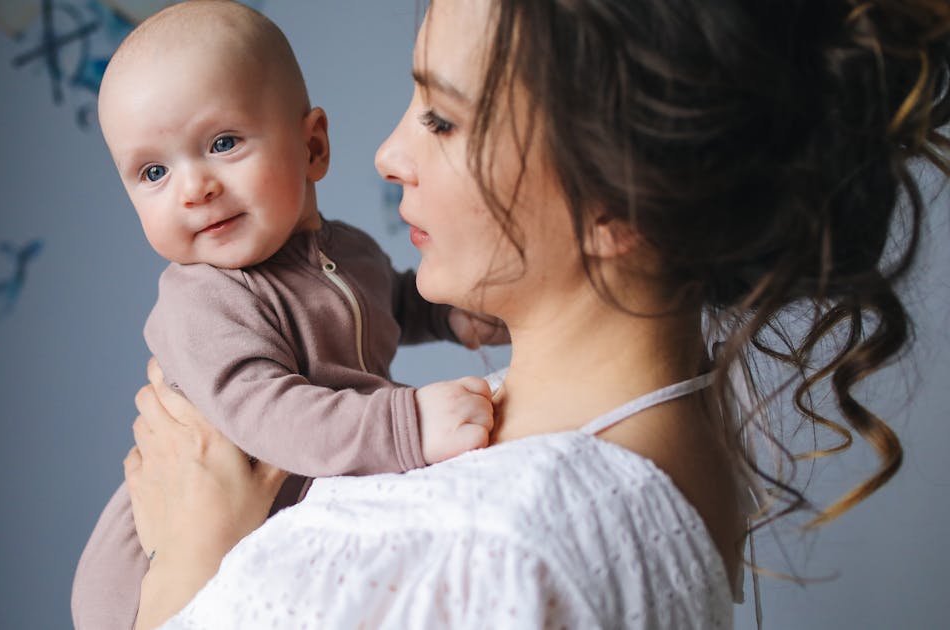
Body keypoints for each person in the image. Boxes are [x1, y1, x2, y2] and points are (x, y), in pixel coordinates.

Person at [116, 0, 950, 627]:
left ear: (617, 199)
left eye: (442, 117)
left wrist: (187, 569)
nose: (388, 155)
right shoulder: (639, 443)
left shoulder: (514, 546)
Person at [71, 2, 508, 627]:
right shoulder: (203, 299)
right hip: (152, 573)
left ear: (313, 146)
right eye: (153, 172)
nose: (193, 188)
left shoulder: (349, 250)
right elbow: (266, 415)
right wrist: (404, 425)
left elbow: (384, 305)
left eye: (222, 143)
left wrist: (447, 317)